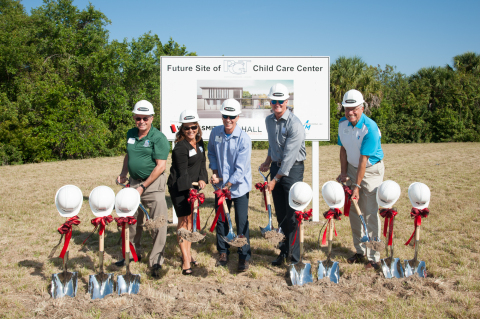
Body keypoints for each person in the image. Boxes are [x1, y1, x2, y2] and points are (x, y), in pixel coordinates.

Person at [116, 100, 170, 277]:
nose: (141, 121)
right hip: (133, 182)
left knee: (158, 223)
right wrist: (124, 173)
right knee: (131, 220)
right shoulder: (131, 134)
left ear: (151, 118)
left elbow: (160, 166)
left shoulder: (158, 138)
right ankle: (132, 253)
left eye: (145, 118)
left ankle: (156, 261)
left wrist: (143, 187)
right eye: (138, 118)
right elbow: (128, 155)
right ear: (134, 118)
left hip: (153, 185)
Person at [336, 89, 385, 270]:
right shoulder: (342, 123)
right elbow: (343, 150)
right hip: (351, 166)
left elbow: (364, 159)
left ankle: (374, 257)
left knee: (370, 211)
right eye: (347, 108)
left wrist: (356, 186)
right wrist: (343, 173)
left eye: (354, 108)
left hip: (371, 169)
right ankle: (359, 250)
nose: (350, 112)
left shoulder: (369, 128)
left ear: (362, 108)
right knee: (355, 212)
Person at [259, 83, 307, 266]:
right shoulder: (269, 121)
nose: (277, 104)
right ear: (270, 102)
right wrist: (268, 161)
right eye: (274, 100)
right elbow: (273, 144)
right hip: (276, 168)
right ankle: (284, 251)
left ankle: (295, 259)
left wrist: (275, 180)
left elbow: (289, 157)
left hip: (292, 170)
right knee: (281, 214)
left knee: (293, 214)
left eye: (280, 100)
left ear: (287, 101)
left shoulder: (295, 124)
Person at [208, 99, 252, 272]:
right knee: (221, 220)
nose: (228, 119)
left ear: (237, 117)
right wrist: (214, 172)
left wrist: (227, 184)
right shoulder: (215, 133)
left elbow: (241, 169)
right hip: (221, 187)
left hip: (238, 187)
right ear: (222, 115)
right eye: (225, 116)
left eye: (232, 116)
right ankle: (223, 252)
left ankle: (244, 256)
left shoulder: (244, 139)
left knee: (242, 222)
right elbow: (211, 152)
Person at [167, 110, 208, 275]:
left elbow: (202, 163)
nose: (191, 131)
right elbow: (182, 172)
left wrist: (203, 178)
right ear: (182, 129)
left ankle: (188, 254)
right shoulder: (180, 148)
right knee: (184, 222)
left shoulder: (199, 143)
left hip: (193, 188)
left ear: (197, 127)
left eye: (193, 127)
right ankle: (185, 260)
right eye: (187, 128)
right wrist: (191, 191)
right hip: (180, 188)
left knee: (191, 222)